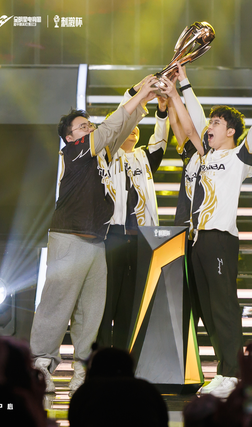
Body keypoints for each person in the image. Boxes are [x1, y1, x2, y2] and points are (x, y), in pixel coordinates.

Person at [30, 76, 157, 395]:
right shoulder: (73, 152)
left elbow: (122, 127)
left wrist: (143, 98)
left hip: (96, 242)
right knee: (56, 305)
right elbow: (112, 126)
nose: (89, 128)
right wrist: (140, 93)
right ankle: (41, 366)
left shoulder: (101, 154)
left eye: (89, 125)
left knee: (91, 312)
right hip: (68, 238)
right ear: (70, 136)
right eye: (83, 126)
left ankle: (83, 372)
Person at [159, 63, 252, 398]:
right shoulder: (203, 155)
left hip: (220, 239)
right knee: (208, 310)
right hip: (196, 240)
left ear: (231, 132)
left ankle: (235, 375)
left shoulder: (239, 158)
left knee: (223, 307)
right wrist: (181, 84)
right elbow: (193, 118)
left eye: (217, 123)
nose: (209, 126)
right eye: (210, 122)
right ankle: (223, 371)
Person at [96, 77, 169, 350]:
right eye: (129, 126)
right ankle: (101, 358)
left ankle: (124, 359)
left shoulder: (143, 158)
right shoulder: (105, 154)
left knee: (131, 302)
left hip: (140, 239)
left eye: (137, 127)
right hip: (111, 237)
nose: (133, 130)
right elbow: (119, 119)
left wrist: (162, 111)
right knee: (106, 301)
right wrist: (137, 93)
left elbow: (160, 141)